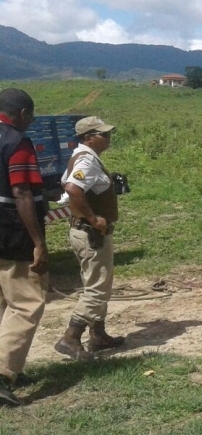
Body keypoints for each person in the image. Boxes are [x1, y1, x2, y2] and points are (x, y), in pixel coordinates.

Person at [54, 116, 126, 360]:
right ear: (88, 138)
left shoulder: (81, 157)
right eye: (103, 134)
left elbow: (67, 184)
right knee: (98, 287)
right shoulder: (87, 160)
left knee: (95, 282)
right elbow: (73, 189)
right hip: (91, 233)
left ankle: (98, 334)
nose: (108, 137)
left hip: (84, 231)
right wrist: (94, 218)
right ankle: (71, 337)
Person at [0, 88, 47, 407]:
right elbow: (21, 193)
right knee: (26, 302)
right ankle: (3, 374)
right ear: (23, 114)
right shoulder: (18, 142)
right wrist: (38, 243)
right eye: (30, 116)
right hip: (12, 233)